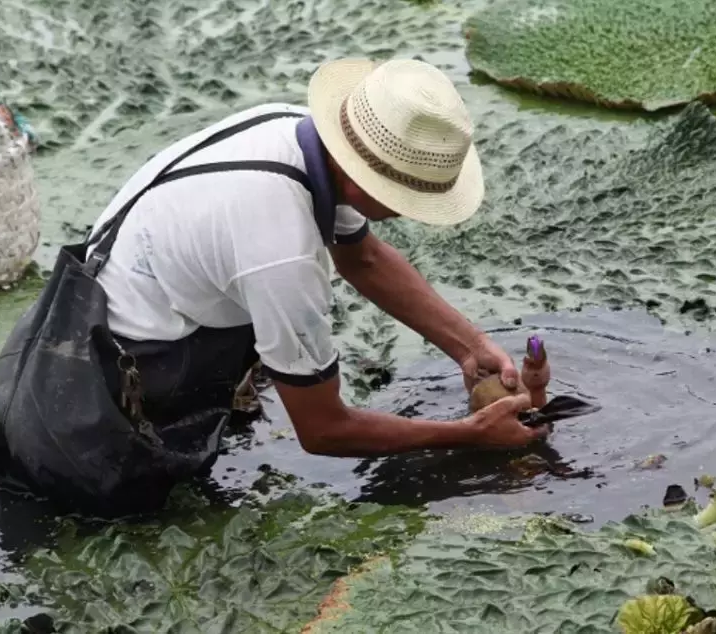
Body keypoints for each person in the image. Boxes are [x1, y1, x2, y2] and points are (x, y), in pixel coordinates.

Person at [82, 56, 550, 463]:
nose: (409, 213)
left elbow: (362, 258)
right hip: (123, 378)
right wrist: (468, 436)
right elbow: (324, 430)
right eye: (406, 198)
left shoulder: (297, 132)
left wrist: (469, 347)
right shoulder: (281, 250)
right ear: (363, 180)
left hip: (126, 296)